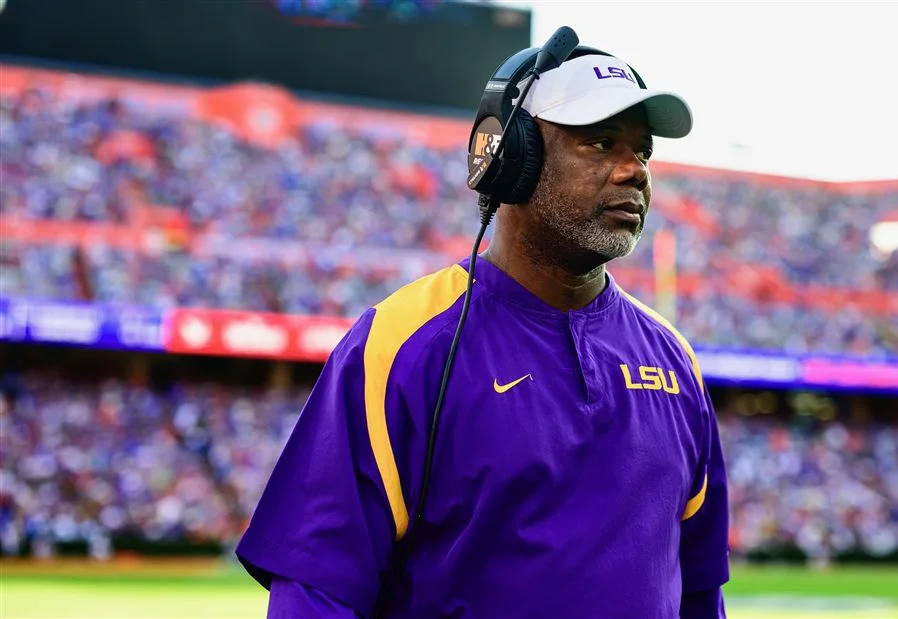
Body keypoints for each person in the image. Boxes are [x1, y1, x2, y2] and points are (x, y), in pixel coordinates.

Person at [235, 45, 730, 618]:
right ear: (512, 156)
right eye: (600, 143)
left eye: (642, 151)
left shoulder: (674, 359)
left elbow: (699, 593)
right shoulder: (401, 343)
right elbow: (316, 593)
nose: (634, 170)